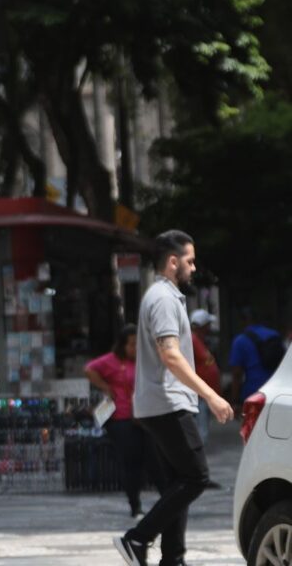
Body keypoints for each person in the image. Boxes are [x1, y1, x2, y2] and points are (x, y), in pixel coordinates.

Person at [114, 230, 234, 566]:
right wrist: (211, 396)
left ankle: (173, 559)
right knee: (196, 477)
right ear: (172, 262)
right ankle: (137, 538)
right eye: (190, 261)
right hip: (169, 402)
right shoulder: (164, 299)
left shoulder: (160, 296)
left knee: (176, 483)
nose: (194, 268)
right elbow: (171, 355)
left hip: (159, 403)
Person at [85, 324, 165, 519]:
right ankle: (135, 505)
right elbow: (89, 369)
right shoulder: (111, 361)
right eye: (131, 344)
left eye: (138, 344)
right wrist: (105, 386)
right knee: (131, 462)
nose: (135, 348)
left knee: (155, 460)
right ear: (122, 345)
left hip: (145, 416)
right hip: (121, 418)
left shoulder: (145, 361)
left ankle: (167, 500)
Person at [228, 308, 280, 405]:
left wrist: (234, 400)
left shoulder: (240, 341)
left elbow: (237, 374)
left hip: (253, 393)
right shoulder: (274, 335)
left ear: (243, 321)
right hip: (276, 391)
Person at [189, 309, 221, 444]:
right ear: (202, 326)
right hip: (198, 395)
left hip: (204, 394)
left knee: (202, 430)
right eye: (208, 324)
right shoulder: (191, 340)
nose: (210, 328)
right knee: (200, 432)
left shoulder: (200, 341)